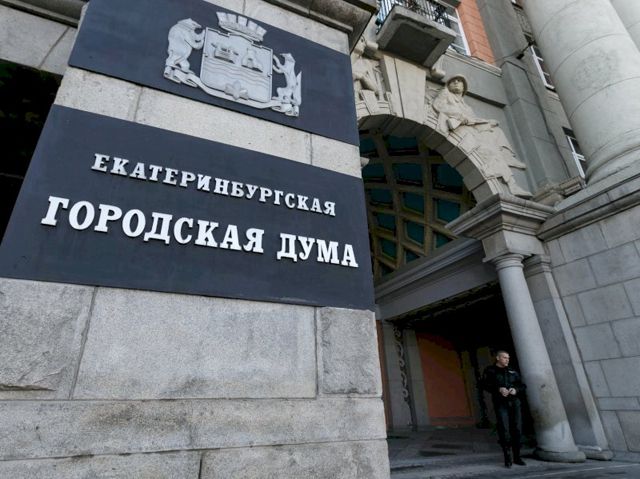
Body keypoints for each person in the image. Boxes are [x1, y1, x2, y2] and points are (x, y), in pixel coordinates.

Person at [431, 75, 531, 198]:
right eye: (453, 81)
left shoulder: (466, 106)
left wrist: (487, 123)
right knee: (490, 149)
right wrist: (460, 115)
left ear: (464, 87)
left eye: (460, 81)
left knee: (495, 131)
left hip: (471, 129)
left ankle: (507, 156)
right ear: (448, 85)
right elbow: (438, 105)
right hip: (459, 129)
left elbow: (473, 121)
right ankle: (512, 185)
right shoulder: (445, 93)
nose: (456, 82)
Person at [481, 350, 527, 468]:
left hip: (515, 403)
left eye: (508, 358)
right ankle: (508, 458)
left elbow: (522, 385)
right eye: (505, 357)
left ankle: (517, 457)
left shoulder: (512, 370)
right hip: (501, 404)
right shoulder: (490, 370)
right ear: (498, 358)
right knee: (504, 430)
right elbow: (484, 384)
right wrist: (498, 389)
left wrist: (515, 390)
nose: (507, 360)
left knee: (517, 429)